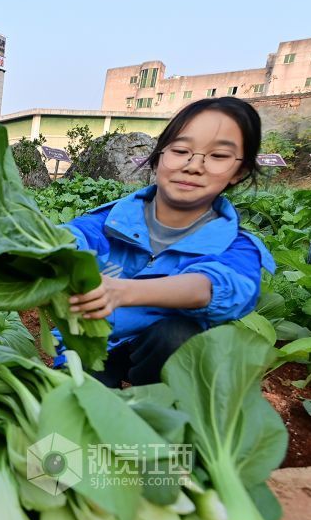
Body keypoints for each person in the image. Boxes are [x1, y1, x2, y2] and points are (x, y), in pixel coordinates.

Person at [63, 97, 274, 387]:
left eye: (218, 156)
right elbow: (70, 238)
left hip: (164, 354)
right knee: (77, 409)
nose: (194, 166)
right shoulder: (109, 220)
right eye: (180, 150)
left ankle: (158, 412)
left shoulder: (238, 246)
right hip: (91, 339)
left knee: (178, 336)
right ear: (159, 155)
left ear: (239, 172)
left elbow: (210, 286)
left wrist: (122, 291)